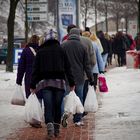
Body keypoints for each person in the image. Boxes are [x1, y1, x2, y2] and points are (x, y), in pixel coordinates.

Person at [30, 30, 75, 139]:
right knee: (57, 106)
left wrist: (33, 84)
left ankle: (50, 131)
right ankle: (57, 130)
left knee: (48, 106)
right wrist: (72, 82)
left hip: (45, 83)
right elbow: (68, 67)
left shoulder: (40, 51)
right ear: (55, 39)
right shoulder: (61, 50)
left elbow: (35, 69)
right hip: (59, 83)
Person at [61, 28, 94, 126]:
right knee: (79, 97)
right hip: (79, 77)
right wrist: (91, 78)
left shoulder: (63, 45)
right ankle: (78, 119)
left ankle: (64, 114)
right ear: (78, 35)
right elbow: (86, 65)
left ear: (69, 35)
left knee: (65, 97)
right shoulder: (82, 46)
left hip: (66, 77)